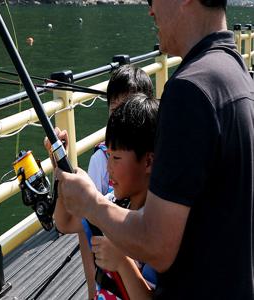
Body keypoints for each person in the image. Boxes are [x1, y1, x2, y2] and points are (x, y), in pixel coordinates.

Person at [55, 0, 254, 299]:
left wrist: (91, 203)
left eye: (152, 0)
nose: (150, 10)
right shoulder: (238, 75)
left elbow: (156, 244)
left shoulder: (191, 89)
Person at [53, 94, 159, 299]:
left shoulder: (158, 228)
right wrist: (60, 169)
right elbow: (64, 222)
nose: (109, 167)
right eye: (108, 155)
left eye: (116, 158)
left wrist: (122, 261)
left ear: (148, 162)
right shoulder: (113, 203)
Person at [88, 64, 154, 195]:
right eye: (114, 111)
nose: (119, 119)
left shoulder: (159, 149)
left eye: (127, 111)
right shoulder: (100, 159)